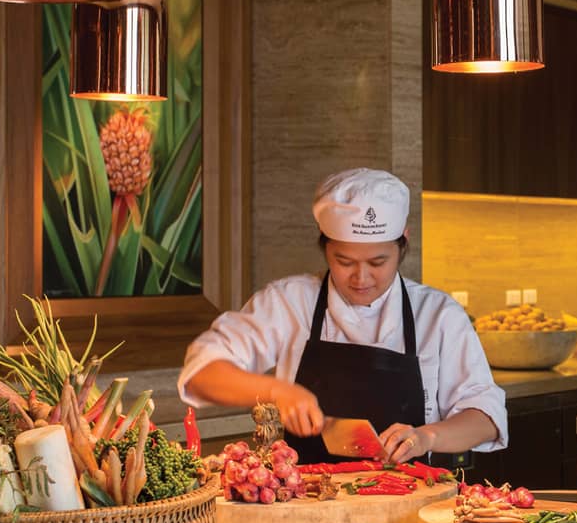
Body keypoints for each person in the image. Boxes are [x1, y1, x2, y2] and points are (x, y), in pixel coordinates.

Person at [178, 168, 507, 465]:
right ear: (325, 248)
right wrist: (275, 390)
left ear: (403, 242)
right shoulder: (290, 302)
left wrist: (427, 437)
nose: (361, 278)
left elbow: (486, 416)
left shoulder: (437, 315)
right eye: (344, 261)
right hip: (309, 506)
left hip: (416, 506)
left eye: (378, 262)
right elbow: (201, 373)